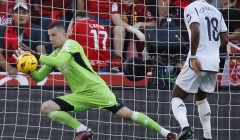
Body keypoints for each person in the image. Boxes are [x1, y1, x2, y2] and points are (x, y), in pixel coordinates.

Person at [20, 21, 179, 140]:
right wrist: (27, 69)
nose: (51, 39)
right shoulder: (53, 55)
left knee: (126, 114)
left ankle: (167, 133)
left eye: (54, 35)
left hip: (96, 89)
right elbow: (40, 77)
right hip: (80, 95)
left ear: (64, 34)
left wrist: (36, 55)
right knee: (46, 107)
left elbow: (59, 62)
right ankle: (82, 129)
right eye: (49, 36)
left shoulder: (71, 44)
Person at [171, 0, 228, 140]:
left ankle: (185, 127)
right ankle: (207, 136)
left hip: (197, 60)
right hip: (213, 61)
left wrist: (195, 56)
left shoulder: (190, 8)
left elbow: (195, 31)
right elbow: (225, 38)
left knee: (176, 96)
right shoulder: (216, 10)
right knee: (200, 97)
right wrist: (212, 50)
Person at [0, 2, 47, 75]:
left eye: (24, 13)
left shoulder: (36, 30)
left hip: (31, 70)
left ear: (28, 16)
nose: (21, 15)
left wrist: (40, 68)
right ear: (12, 16)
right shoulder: (3, 29)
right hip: (6, 71)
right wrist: (9, 68)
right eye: (18, 13)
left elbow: (41, 51)